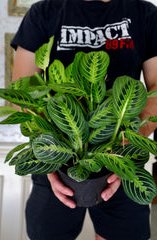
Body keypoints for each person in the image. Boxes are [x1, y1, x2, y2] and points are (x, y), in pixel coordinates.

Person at [11, 0, 157, 239]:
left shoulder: (145, 13)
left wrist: (122, 151)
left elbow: (156, 89)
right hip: (56, 167)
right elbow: (23, 92)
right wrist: (52, 159)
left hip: (122, 158)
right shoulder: (44, 12)